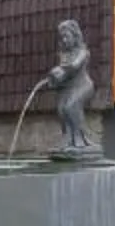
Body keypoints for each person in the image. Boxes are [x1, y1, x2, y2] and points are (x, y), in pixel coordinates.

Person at [40, 18, 99, 160]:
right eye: (62, 37)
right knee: (61, 109)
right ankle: (68, 139)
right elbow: (63, 77)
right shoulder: (63, 54)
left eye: (67, 36)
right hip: (68, 88)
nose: (64, 40)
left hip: (83, 86)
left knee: (71, 106)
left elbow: (74, 66)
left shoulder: (83, 52)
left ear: (75, 36)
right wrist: (54, 79)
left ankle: (80, 141)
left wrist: (59, 70)